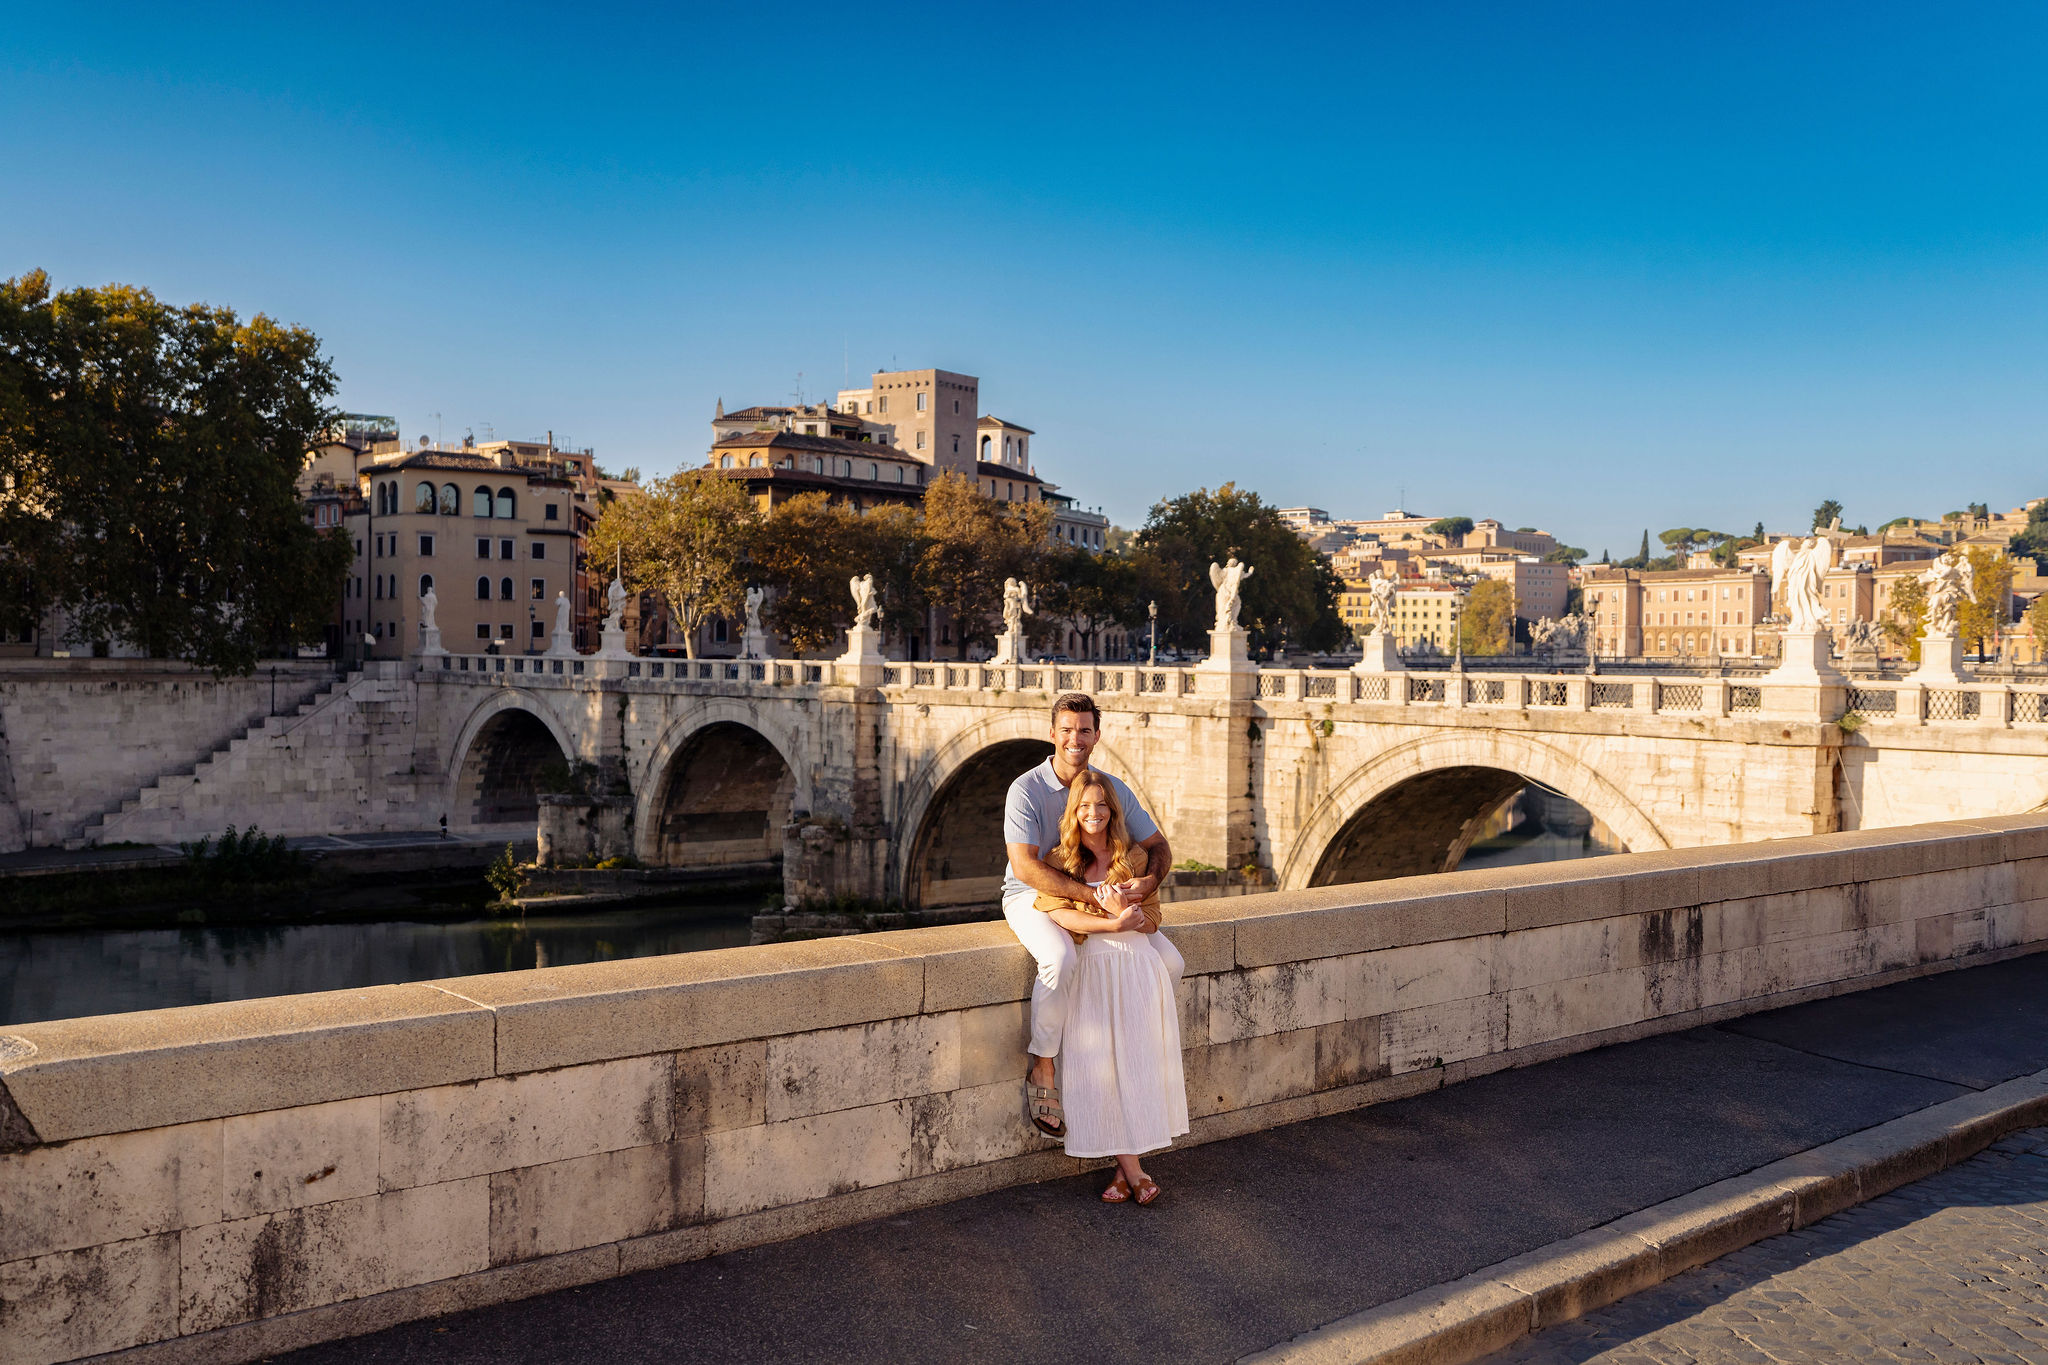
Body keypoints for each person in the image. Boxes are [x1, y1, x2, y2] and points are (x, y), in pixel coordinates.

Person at [1002, 693, 1172, 1139]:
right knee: (1060, 959)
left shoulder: (1107, 788)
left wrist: (1149, 884)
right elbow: (1025, 867)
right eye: (1067, 729)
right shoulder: (1026, 789)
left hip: (1100, 893)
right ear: (1052, 733)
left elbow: (1158, 846)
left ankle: (1134, 1058)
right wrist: (1096, 898)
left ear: (1096, 735)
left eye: (1084, 730)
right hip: (1032, 894)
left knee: (1169, 962)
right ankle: (1043, 1067)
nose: (1075, 738)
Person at [1035, 775, 1186, 1203]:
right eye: (1084, 806)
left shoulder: (1134, 858)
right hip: (1095, 971)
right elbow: (1061, 916)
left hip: (1137, 967)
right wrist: (1112, 922)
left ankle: (1121, 1174)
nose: (1094, 813)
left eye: (1101, 805)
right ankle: (1137, 1173)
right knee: (1102, 1072)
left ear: (1113, 811)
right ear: (1073, 813)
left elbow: (1155, 917)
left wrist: (1137, 913)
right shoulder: (1060, 862)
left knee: (1133, 1069)